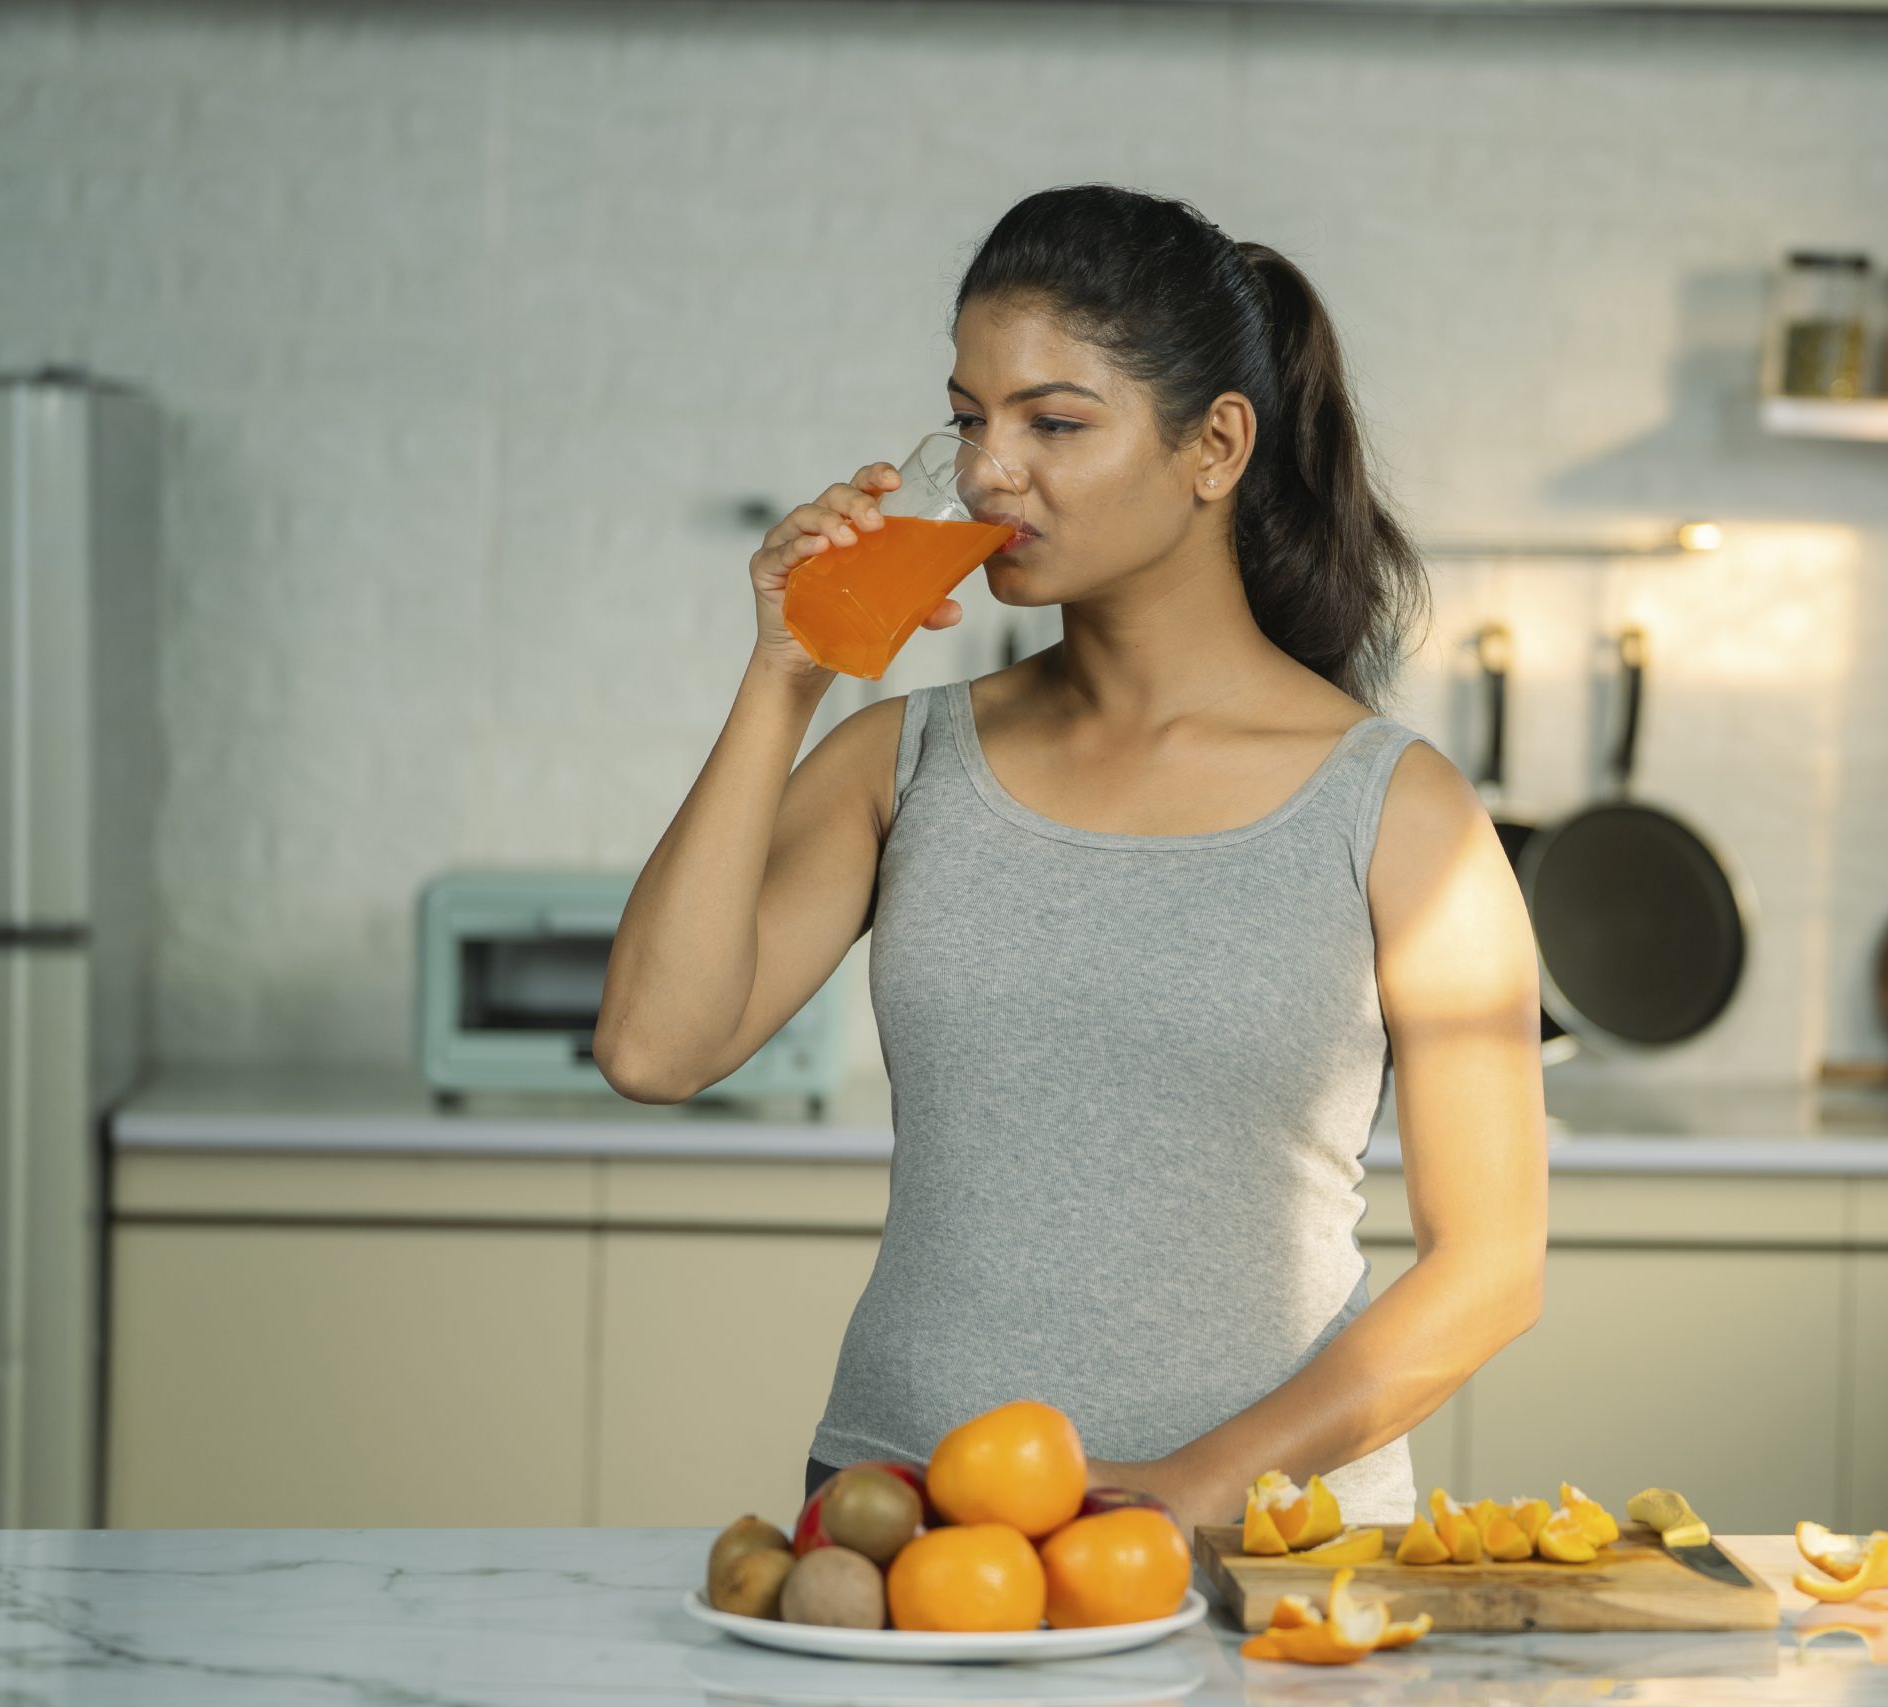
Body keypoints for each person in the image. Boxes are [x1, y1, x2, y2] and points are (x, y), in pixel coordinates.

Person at [596, 185, 1548, 1538]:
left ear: (1214, 446)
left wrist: (1180, 1495)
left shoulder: (1402, 810)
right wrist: (783, 676)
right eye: (972, 417)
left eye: (1053, 422)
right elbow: (653, 1051)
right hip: (910, 1518)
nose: (990, 469)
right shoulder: (899, 762)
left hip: (1262, 1544)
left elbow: (1494, 1267)